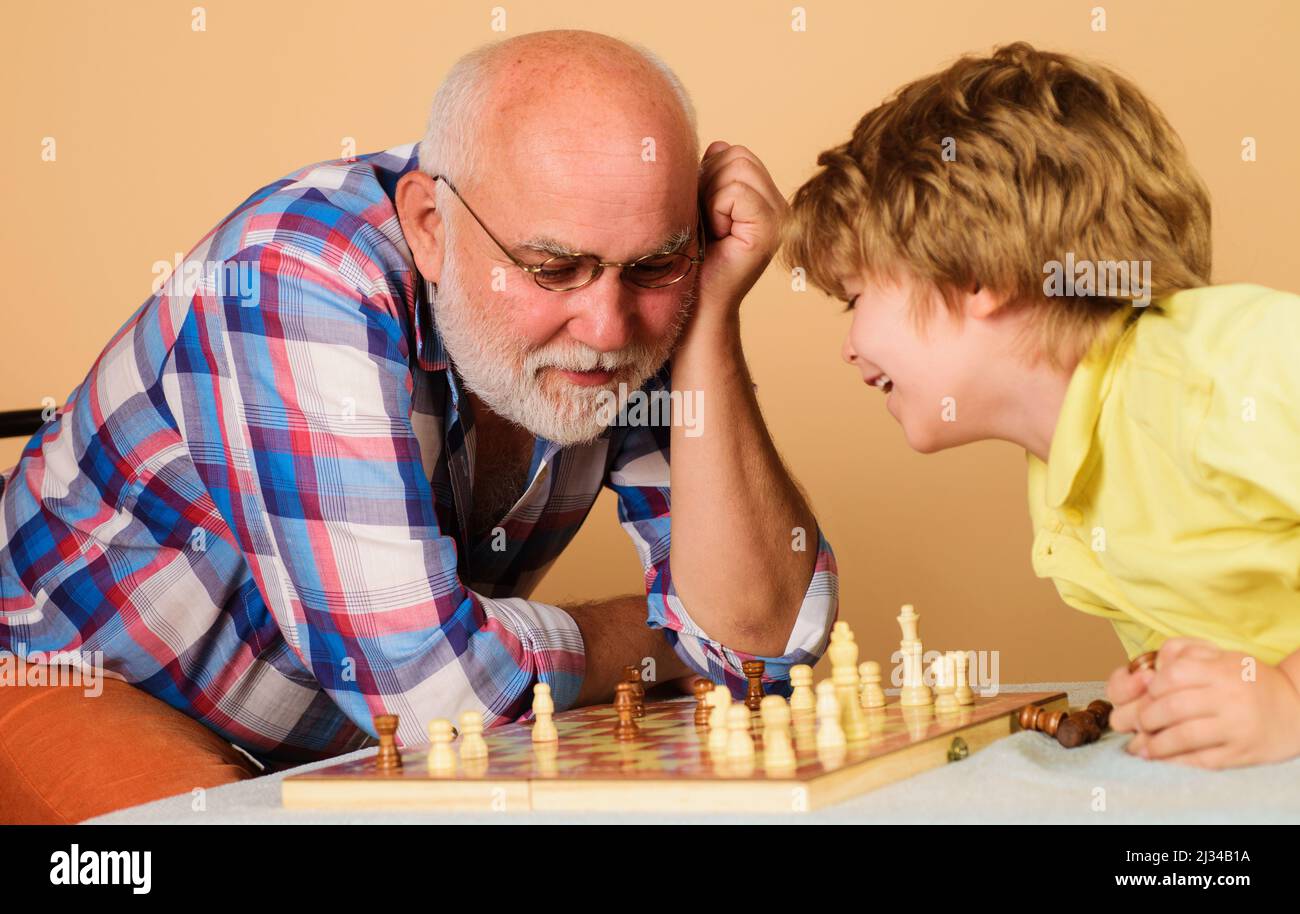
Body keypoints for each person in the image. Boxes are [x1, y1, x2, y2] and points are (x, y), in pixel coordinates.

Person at [0, 29, 837, 822]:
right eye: (552, 269)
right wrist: (652, 627)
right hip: (73, 676)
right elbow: (433, 689)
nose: (609, 328)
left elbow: (765, 644)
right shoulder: (296, 272)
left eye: (655, 264)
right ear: (431, 227)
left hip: (348, 736)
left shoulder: (643, 283)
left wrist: (712, 312)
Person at [782, 42, 1300, 768]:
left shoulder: (1217, 366)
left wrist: (1288, 699)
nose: (850, 349)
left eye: (856, 300)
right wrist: (1175, 693)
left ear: (974, 276)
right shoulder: (1065, 483)